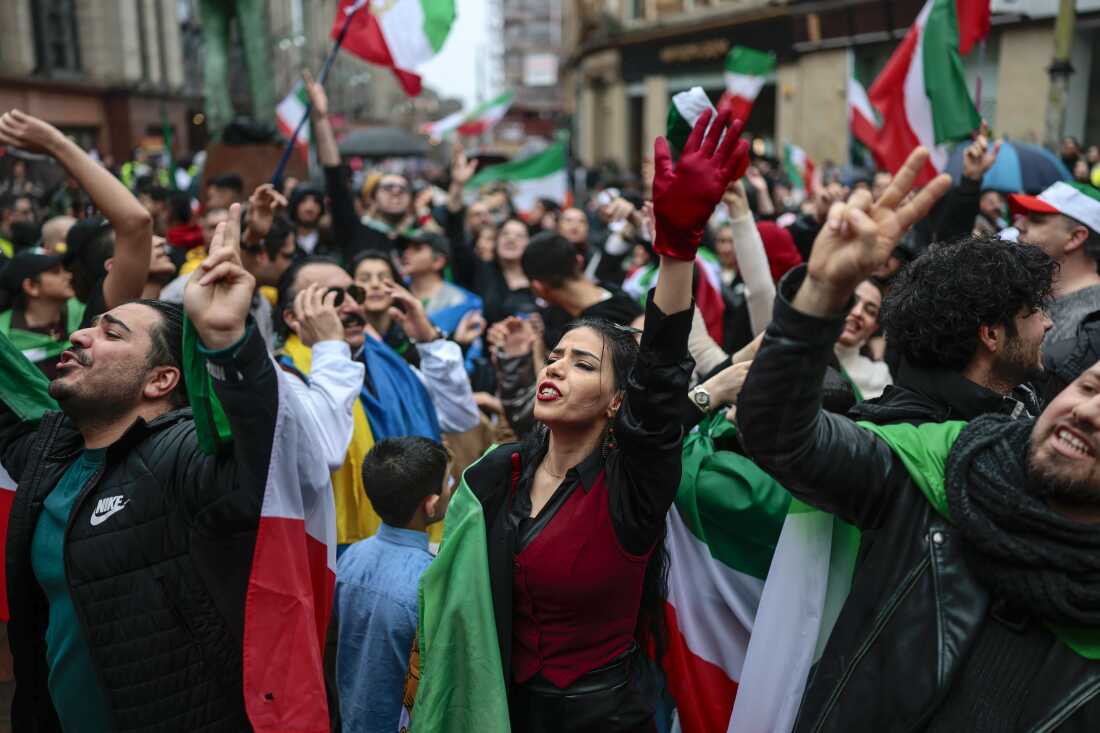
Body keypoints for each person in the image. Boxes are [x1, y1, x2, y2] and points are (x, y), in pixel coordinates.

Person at [736, 149, 1100, 731]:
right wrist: (820, 298)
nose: (1088, 414)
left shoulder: (1016, 408)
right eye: (1087, 386)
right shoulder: (935, 465)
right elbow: (782, 435)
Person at [418, 109, 748, 732]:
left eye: (584, 363)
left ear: (616, 399)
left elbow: (661, 377)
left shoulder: (633, 485)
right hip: (501, 711)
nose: (560, 368)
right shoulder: (498, 476)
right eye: (557, 355)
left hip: (605, 715)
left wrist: (676, 251)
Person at [1, 204, 285, 729]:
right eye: (87, 329)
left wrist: (228, 344)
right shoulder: (50, 455)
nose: (80, 337)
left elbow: (258, 462)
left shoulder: (179, 455)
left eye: (112, 334)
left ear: (161, 381)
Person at [333, 437, 453, 732]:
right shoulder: (429, 584)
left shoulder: (349, 561)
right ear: (431, 504)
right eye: (448, 481)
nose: (452, 487)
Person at [0, 110, 152, 328]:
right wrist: (54, 143)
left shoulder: (85, 321)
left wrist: (55, 143)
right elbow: (135, 222)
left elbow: (136, 222)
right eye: (54, 271)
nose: (66, 275)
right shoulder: (9, 342)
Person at [1010, 181, 1100, 347]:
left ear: (1075, 238)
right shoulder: (1025, 294)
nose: (1019, 225)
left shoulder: (1094, 316)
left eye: (1036, 220)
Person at [521, 232, 643, 347]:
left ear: (539, 287)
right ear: (579, 261)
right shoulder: (615, 292)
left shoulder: (587, 335)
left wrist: (537, 347)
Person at [0, 247, 82, 379]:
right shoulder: (5, 336)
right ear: (31, 287)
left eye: (64, 269)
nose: (68, 276)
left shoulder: (82, 315)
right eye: (56, 272)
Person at [400, 231, 482, 333]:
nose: (406, 253)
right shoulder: (394, 292)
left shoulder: (459, 301)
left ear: (438, 262)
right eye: (406, 248)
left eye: (417, 249)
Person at [833, 278, 891, 400]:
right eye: (852, 301)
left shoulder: (878, 376)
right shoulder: (805, 352)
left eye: (870, 311)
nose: (858, 312)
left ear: (874, 328)